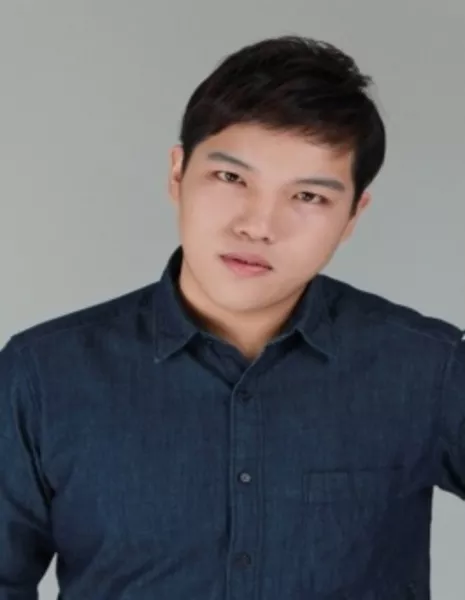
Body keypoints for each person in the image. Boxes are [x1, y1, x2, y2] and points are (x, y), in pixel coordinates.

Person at [0, 35, 463, 600]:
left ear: (351, 216)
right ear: (177, 173)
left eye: (309, 197)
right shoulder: (42, 375)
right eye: (231, 178)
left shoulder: (429, 366)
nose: (258, 225)